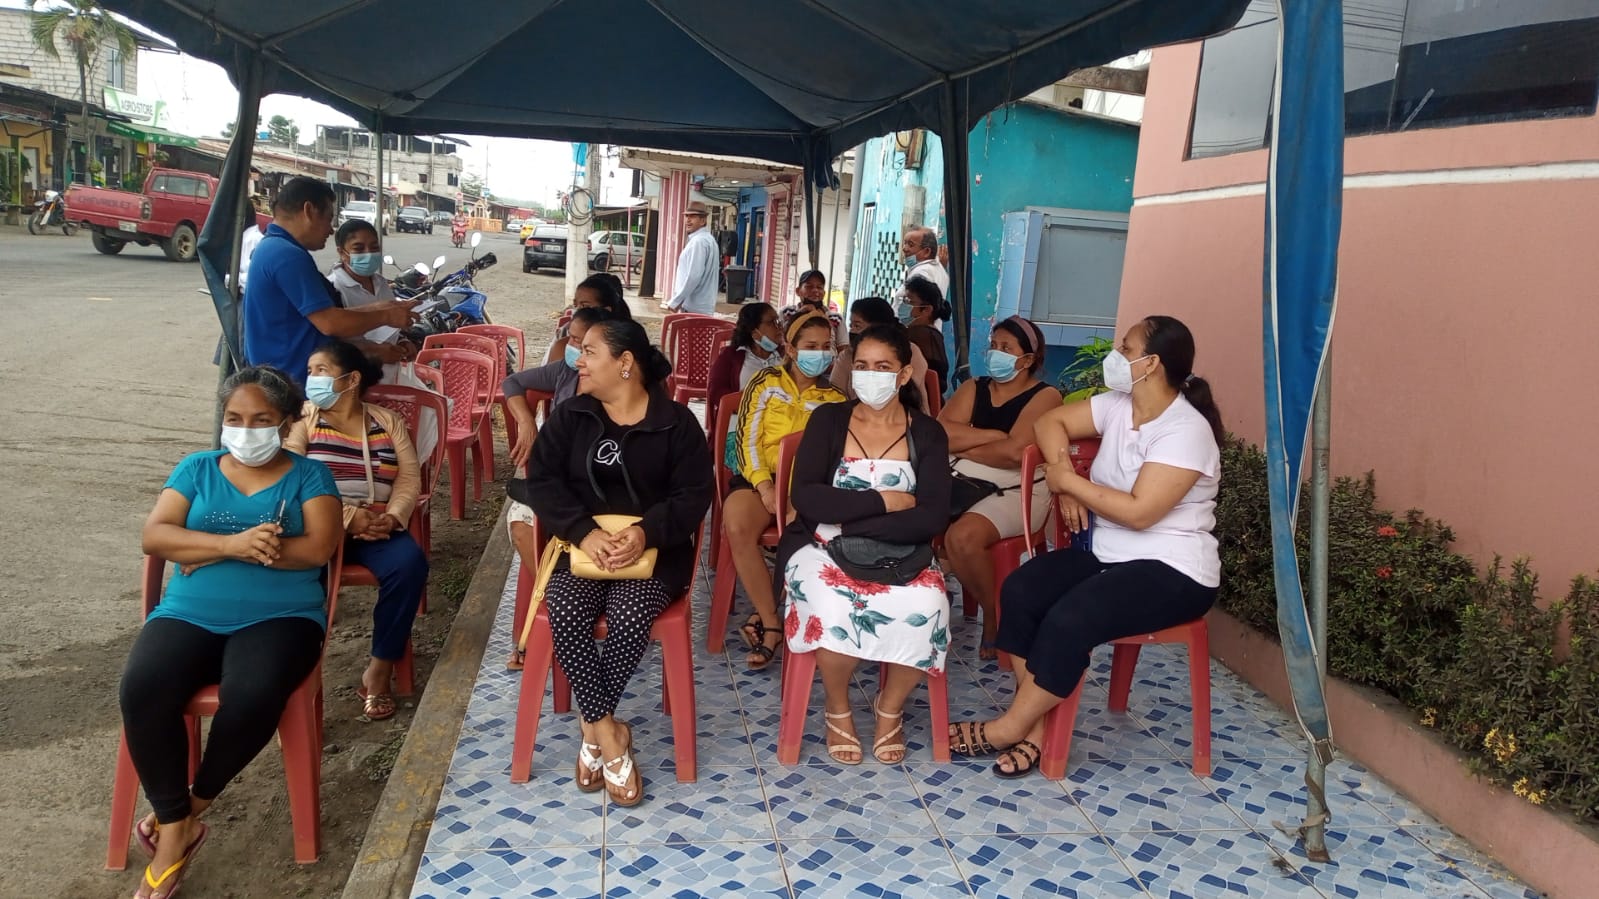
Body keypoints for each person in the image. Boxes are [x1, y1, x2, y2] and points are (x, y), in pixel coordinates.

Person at [948, 315, 1223, 778]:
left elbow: (1140, 513)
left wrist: (1068, 484)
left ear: (1151, 363)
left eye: (1126, 348)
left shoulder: (1185, 430)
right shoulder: (1119, 405)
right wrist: (1063, 475)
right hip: (1108, 554)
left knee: (1071, 617)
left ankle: (1007, 727)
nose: (1116, 354)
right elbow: (1051, 422)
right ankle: (1037, 730)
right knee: (1021, 589)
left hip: (1174, 569)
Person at [119, 366, 342, 899]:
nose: (246, 430)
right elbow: (156, 536)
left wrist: (202, 546)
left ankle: (190, 809)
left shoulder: (310, 476)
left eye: (261, 419)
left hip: (283, 617)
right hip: (189, 611)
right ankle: (176, 824)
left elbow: (317, 549)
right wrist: (231, 546)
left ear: (287, 422)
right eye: (235, 418)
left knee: (252, 693)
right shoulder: (196, 468)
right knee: (142, 688)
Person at [509, 319, 713, 803]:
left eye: (589, 351)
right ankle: (609, 733)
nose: (578, 361)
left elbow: (693, 495)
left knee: (629, 612)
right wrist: (585, 531)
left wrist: (645, 532)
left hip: (655, 553)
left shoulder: (676, 423)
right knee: (567, 609)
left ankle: (592, 728)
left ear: (625, 363)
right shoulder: (571, 416)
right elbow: (543, 484)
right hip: (580, 547)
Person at [779, 324, 952, 764]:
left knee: (930, 605)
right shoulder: (829, 420)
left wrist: (852, 520)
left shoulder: (927, 433)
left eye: (882, 367)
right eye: (861, 365)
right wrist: (884, 502)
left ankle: (889, 707)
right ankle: (837, 706)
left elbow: (932, 516)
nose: (870, 375)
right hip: (820, 548)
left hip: (900, 554)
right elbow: (807, 498)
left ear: (904, 374)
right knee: (834, 607)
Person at [284, 341, 428, 721]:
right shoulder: (304, 419)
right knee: (294, 578)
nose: (311, 379)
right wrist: (347, 517)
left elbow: (408, 478)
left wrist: (392, 517)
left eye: (321, 370)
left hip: (378, 525)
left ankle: (378, 671)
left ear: (351, 379)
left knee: (409, 565)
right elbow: (291, 478)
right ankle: (294, 680)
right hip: (319, 525)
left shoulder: (386, 421)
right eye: (310, 371)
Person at [724, 312, 846, 670]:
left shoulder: (836, 400)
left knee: (802, 531)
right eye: (810, 346)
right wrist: (765, 489)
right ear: (791, 349)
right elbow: (747, 440)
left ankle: (772, 619)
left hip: (806, 487)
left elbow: (834, 458)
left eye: (826, 347)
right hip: (759, 479)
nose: (820, 354)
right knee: (737, 525)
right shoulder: (766, 382)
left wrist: (797, 497)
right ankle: (771, 622)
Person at [937, 315, 1058, 659]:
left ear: (1028, 359)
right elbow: (940, 433)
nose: (995, 353)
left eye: (1006, 347)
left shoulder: (1046, 396)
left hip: (1019, 489)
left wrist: (965, 443)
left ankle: (993, 614)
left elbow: (1015, 454)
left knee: (962, 538)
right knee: (909, 516)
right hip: (960, 478)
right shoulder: (973, 387)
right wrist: (994, 436)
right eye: (993, 345)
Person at [244, 177, 415, 385]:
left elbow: (322, 318)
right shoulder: (286, 255)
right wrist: (386, 315)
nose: (331, 229)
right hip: (291, 380)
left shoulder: (275, 248)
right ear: (309, 211)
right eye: (328, 218)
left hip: (292, 375)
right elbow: (331, 323)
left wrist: (382, 308)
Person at [506, 306, 613, 469]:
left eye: (577, 340)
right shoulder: (565, 370)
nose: (568, 345)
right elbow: (512, 382)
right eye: (570, 337)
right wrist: (527, 423)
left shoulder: (614, 387)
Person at [326, 219, 416, 366]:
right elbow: (332, 344)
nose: (368, 254)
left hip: (389, 371)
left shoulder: (381, 282)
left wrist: (401, 340)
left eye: (374, 247)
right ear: (342, 252)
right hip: (357, 373)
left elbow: (387, 329)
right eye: (359, 248)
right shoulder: (333, 288)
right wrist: (373, 352)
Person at [829, 297, 931, 414]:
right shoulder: (848, 355)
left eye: (857, 326)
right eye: (851, 326)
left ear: (879, 328)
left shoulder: (909, 351)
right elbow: (835, 394)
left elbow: (905, 395)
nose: (852, 331)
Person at [706, 301, 783, 420]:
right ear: (755, 332)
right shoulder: (732, 355)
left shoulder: (786, 356)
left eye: (778, 321)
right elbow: (715, 390)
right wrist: (741, 404)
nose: (779, 327)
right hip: (742, 420)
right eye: (771, 322)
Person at [544, 272, 632, 365]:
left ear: (606, 310)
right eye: (575, 305)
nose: (578, 311)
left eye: (585, 306)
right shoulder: (563, 342)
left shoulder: (625, 344)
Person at [661, 202, 720, 313]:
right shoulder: (709, 240)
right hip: (702, 305)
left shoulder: (698, 242)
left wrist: (676, 301)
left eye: (692, 216)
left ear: (703, 221)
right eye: (687, 216)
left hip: (693, 306)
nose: (688, 220)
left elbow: (694, 275)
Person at [899, 277, 951, 394]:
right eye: (904, 301)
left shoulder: (919, 335)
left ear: (926, 310)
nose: (903, 306)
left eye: (909, 302)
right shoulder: (933, 335)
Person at [896, 226, 949, 330]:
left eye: (911, 244)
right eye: (904, 243)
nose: (904, 249)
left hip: (916, 331)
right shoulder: (937, 269)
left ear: (926, 251)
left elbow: (916, 306)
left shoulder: (922, 273)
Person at [782, 269, 847, 348]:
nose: (815, 290)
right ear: (798, 291)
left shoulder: (836, 318)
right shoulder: (787, 313)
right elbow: (780, 342)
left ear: (824, 293)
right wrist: (798, 316)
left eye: (819, 287)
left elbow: (843, 350)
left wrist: (821, 318)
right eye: (809, 287)